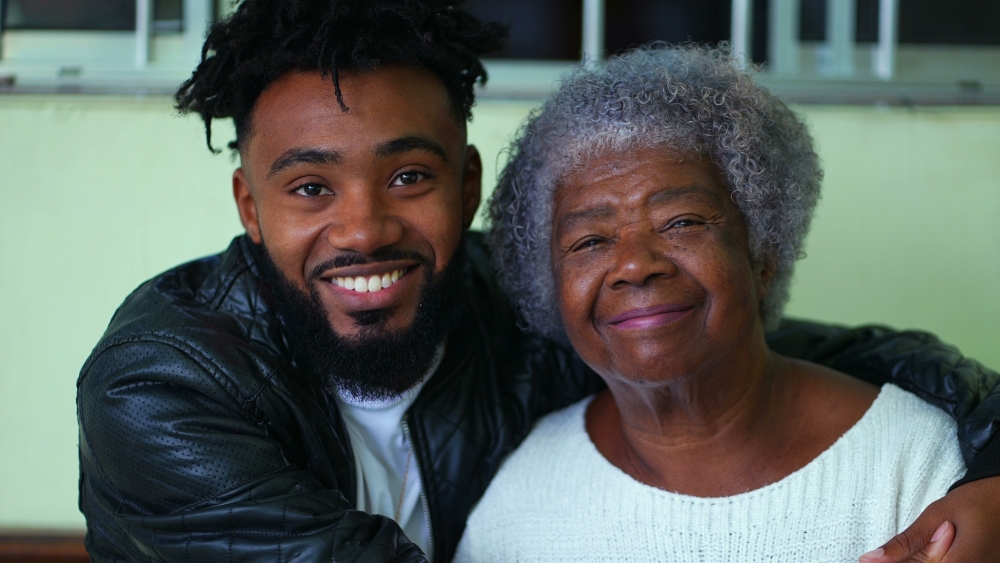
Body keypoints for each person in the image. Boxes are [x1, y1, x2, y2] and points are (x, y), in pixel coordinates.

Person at [74, 2, 1000, 562]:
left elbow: (765, 347)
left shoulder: (522, 303)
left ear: (468, 185)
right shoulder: (160, 385)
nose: (362, 227)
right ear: (249, 205)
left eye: (408, 176)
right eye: (310, 187)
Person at [454, 43, 995, 562]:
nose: (635, 264)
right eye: (590, 241)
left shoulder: (923, 468)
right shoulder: (519, 501)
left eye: (682, 222)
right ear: (550, 287)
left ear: (762, 258)